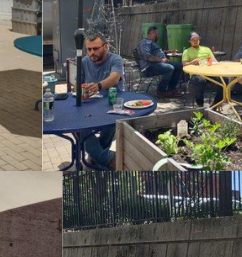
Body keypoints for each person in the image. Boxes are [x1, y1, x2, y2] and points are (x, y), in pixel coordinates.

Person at [78, 33, 125, 169]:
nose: (92, 53)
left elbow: (115, 77)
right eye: (89, 49)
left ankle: (95, 156)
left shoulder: (115, 59)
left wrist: (98, 86)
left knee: (110, 124)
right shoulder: (85, 61)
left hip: (112, 103)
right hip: (90, 105)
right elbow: (77, 82)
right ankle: (108, 158)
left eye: (96, 49)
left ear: (105, 47)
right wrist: (82, 88)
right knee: (80, 128)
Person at [134, 26, 182, 96]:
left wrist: (169, 51)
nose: (158, 36)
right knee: (169, 68)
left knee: (179, 66)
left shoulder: (152, 42)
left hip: (158, 64)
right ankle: (161, 90)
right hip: (148, 67)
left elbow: (156, 53)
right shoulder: (144, 43)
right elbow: (148, 57)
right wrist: (162, 60)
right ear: (152, 33)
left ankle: (172, 88)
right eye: (157, 34)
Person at [180, 32, 224, 108]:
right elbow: (184, 64)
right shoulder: (187, 51)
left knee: (224, 80)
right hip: (196, 74)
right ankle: (200, 105)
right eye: (193, 39)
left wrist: (211, 62)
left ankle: (215, 104)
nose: (195, 41)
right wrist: (192, 62)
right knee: (201, 81)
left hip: (209, 72)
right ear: (189, 41)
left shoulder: (206, 49)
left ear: (199, 40)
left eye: (197, 39)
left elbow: (214, 61)